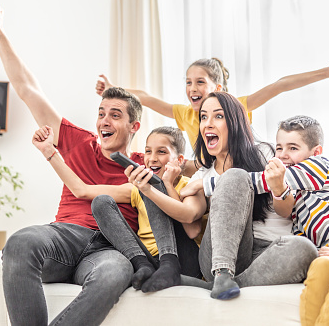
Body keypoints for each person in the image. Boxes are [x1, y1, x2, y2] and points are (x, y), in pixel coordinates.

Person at [0, 3, 145, 326]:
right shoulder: (76, 140)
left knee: (116, 272)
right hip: (65, 236)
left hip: (109, 246)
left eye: (115, 115)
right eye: (101, 113)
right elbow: (27, 89)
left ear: (133, 127)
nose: (105, 120)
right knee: (21, 242)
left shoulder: (143, 165)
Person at [206, 115, 329, 325]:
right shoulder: (293, 198)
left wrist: (202, 185)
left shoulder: (318, 166)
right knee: (320, 267)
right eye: (279, 148)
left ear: (315, 152)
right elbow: (294, 227)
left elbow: (258, 181)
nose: (283, 155)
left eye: (293, 148)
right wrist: (315, 251)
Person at [127, 92, 318, 299]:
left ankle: (221, 286)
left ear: (235, 122)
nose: (208, 124)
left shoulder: (265, 153)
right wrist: (148, 189)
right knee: (234, 176)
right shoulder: (202, 174)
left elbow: (287, 209)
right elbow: (191, 224)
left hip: (269, 251)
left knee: (305, 249)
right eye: (203, 117)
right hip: (221, 258)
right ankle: (222, 275)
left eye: (218, 116)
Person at [96, 55, 329, 175]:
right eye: (188, 83)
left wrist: (327, 72)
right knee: (168, 164)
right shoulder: (186, 113)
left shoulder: (236, 106)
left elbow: (278, 85)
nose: (192, 89)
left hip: (239, 168)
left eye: (200, 82)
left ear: (217, 88)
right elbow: (147, 98)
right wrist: (112, 89)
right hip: (209, 169)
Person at [32, 124, 203, 291]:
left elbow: (192, 231)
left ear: (179, 160)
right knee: (101, 202)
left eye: (162, 152)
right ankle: (141, 263)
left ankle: (170, 265)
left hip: (182, 259)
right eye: (148, 151)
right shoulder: (137, 189)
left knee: (151, 188)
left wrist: (165, 184)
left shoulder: (189, 186)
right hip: (151, 259)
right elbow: (81, 190)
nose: (152, 158)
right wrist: (49, 152)